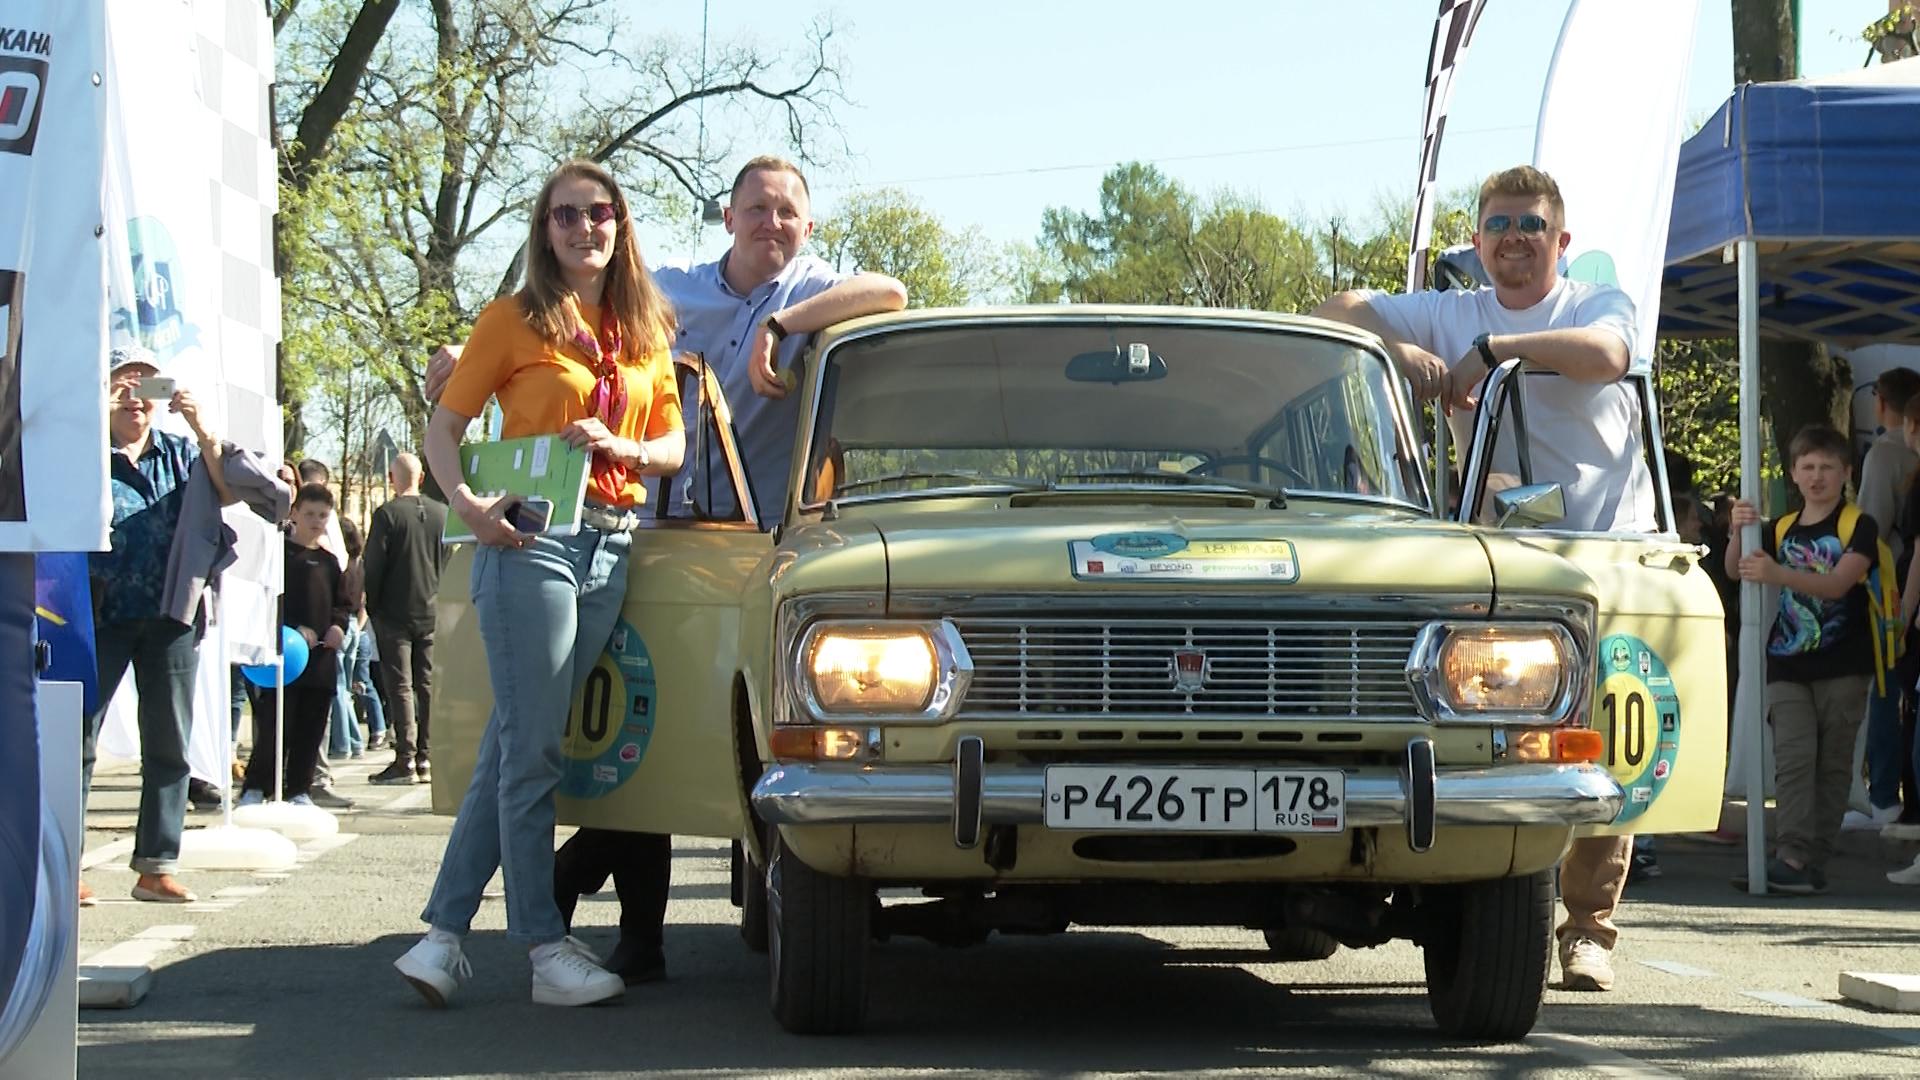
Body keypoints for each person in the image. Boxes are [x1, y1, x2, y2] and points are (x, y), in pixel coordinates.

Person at [425, 154, 907, 982]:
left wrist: (784, 330)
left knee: (691, 736)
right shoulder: (662, 294)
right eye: (756, 208)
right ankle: (610, 935)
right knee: (624, 731)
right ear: (727, 216)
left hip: (755, 549)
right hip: (634, 533)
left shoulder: (800, 293)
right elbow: (480, 387)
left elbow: (891, 293)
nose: (771, 223)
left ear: (809, 226)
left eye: (788, 211)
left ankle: (502, 912)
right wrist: (459, 421)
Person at [1313, 164, 1646, 992]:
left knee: (1596, 733)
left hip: (1601, 550)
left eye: (1531, 227)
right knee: (1500, 735)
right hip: (1502, 559)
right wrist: (1408, 355)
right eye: (1498, 226)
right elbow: (1332, 315)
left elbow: (1607, 356)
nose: (1514, 242)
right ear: (1477, 241)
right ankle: (1495, 912)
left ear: (1562, 242)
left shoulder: (1594, 303)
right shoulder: (1452, 307)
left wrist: (1493, 353)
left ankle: (1590, 929)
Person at [395, 159, 686, 1009]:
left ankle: (443, 937)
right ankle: (543, 948)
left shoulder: (645, 327)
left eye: (597, 212)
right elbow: (445, 426)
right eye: (564, 215)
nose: (582, 227)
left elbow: (671, 443)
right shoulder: (514, 320)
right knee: (533, 755)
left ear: (620, 223)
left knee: (510, 746)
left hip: (612, 543)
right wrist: (468, 505)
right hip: (530, 538)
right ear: (544, 229)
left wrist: (625, 448)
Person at [83, 345, 241, 903]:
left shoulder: (180, 452)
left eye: (146, 386)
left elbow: (229, 490)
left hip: (171, 615)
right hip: (97, 612)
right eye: (124, 385)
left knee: (170, 742)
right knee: (78, 739)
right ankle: (65, 863)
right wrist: (91, 409)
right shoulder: (85, 453)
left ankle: (156, 864)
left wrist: (202, 426)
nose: (135, 397)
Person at [1726, 424, 1879, 894]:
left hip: (1845, 665)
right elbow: (1737, 569)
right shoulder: (1781, 528)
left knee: (1833, 766)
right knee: (1793, 760)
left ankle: (1814, 859)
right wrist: (1739, 531)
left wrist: (1780, 573)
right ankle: (1790, 855)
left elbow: (1838, 584)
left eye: (1827, 467)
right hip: (1787, 663)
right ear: (1793, 472)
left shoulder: (1859, 525)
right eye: (1808, 467)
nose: (1817, 477)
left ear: (1845, 473)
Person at [236, 484, 352, 808]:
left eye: (323, 516)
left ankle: (299, 788)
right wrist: (292, 627)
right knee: (276, 727)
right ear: (295, 513)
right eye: (310, 514)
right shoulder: (279, 556)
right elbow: (269, 602)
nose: (316, 521)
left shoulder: (330, 563)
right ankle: (256, 786)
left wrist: (337, 627)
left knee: (311, 729)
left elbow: (342, 605)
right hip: (285, 659)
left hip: (321, 663)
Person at [1850, 367, 1920, 832]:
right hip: (1904, 577)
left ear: (1880, 401)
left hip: (1892, 584)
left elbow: (1871, 526)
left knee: (1885, 686)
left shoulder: (1884, 454)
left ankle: (1882, 797)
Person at [365, 452, 449, 786]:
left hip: (394, 611)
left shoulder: (387, 514)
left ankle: (405, 759)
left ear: (391, 479)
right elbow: (446, 561)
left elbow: (374, 565)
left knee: (399, 685)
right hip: (432, 609)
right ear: (422, 477)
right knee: (427, 684)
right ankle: (427, 757)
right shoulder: (442, 514)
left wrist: (372, 605)